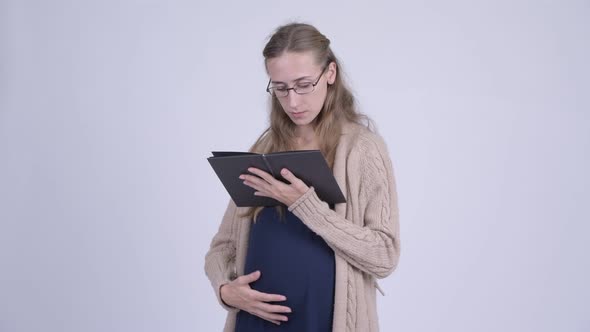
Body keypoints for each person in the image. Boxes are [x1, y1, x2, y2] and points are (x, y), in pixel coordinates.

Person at [205, 22, 400, 332]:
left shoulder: (362, 149)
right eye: (280, 88)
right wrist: (225, 290)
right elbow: (221, 248)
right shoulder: (263, 149)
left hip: (322, 321)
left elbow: (384, 255)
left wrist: (306, 206)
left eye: (304, 84)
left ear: (330, 74)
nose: (293, 101)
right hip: (255, 323)